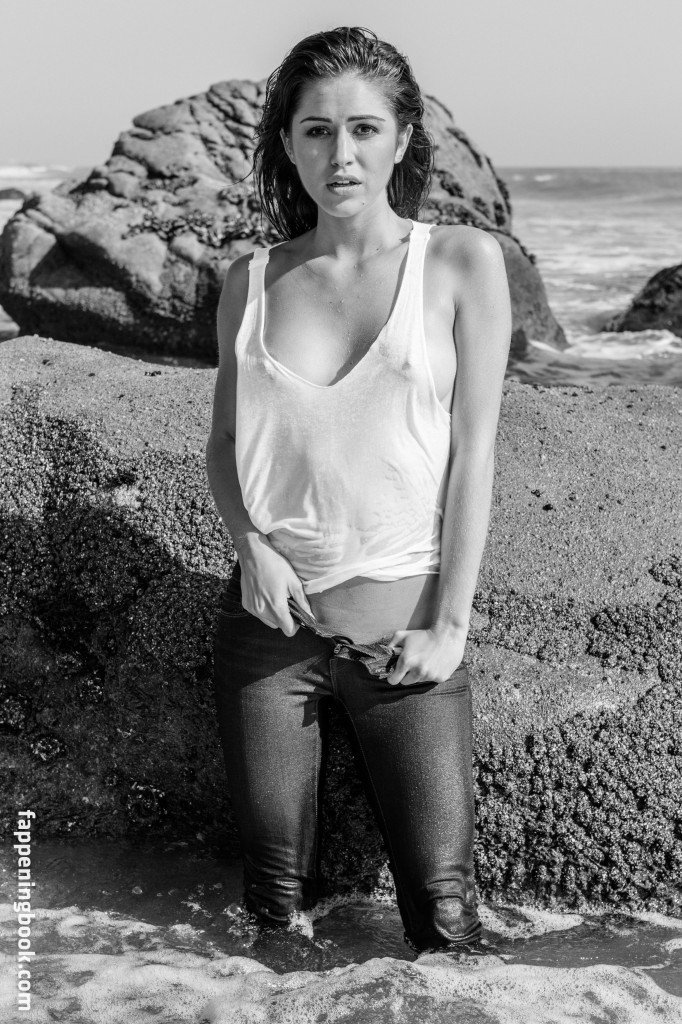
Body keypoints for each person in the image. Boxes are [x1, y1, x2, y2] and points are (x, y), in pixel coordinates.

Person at [205, 25, 511, 955]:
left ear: (403, 137)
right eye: (317, 131)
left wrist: (450, 625)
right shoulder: (250, 280)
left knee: (446, 925)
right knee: (272, 917)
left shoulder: (460, 262)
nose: (341, 154)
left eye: (364, 129)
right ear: (288, 143)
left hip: (402, 642)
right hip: (268, 642)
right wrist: (250, 547)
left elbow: (475, 453)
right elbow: (224, 444)